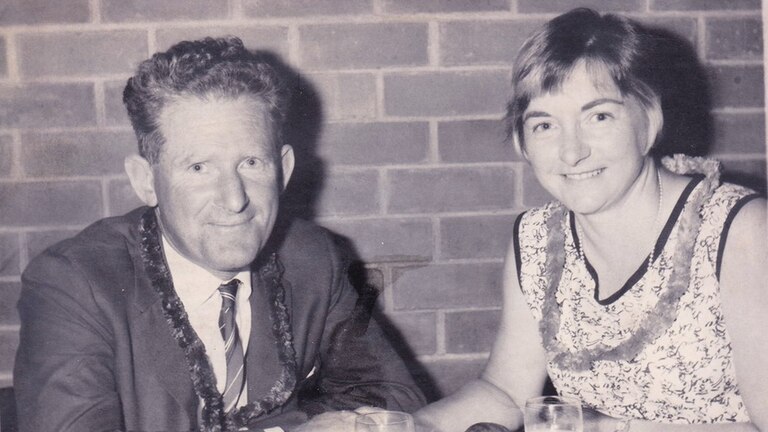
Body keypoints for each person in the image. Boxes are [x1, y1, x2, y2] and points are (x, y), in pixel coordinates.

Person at [13, 37, 425, 432]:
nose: (234, 200)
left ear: (283, 168)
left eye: (250, 162)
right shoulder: (73, 283)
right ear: (145, 181)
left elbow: (395, 403)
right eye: (199, 168)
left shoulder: (313, 257)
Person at [413, 8, 768, 432]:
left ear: (649, 119)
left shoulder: (740, 231)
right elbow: (505, 393)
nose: (571, 152)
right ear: (521, 141)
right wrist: (397, 425)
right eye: (544, 125)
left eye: (598, 116)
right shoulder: (536, 239)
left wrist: (599, 427)